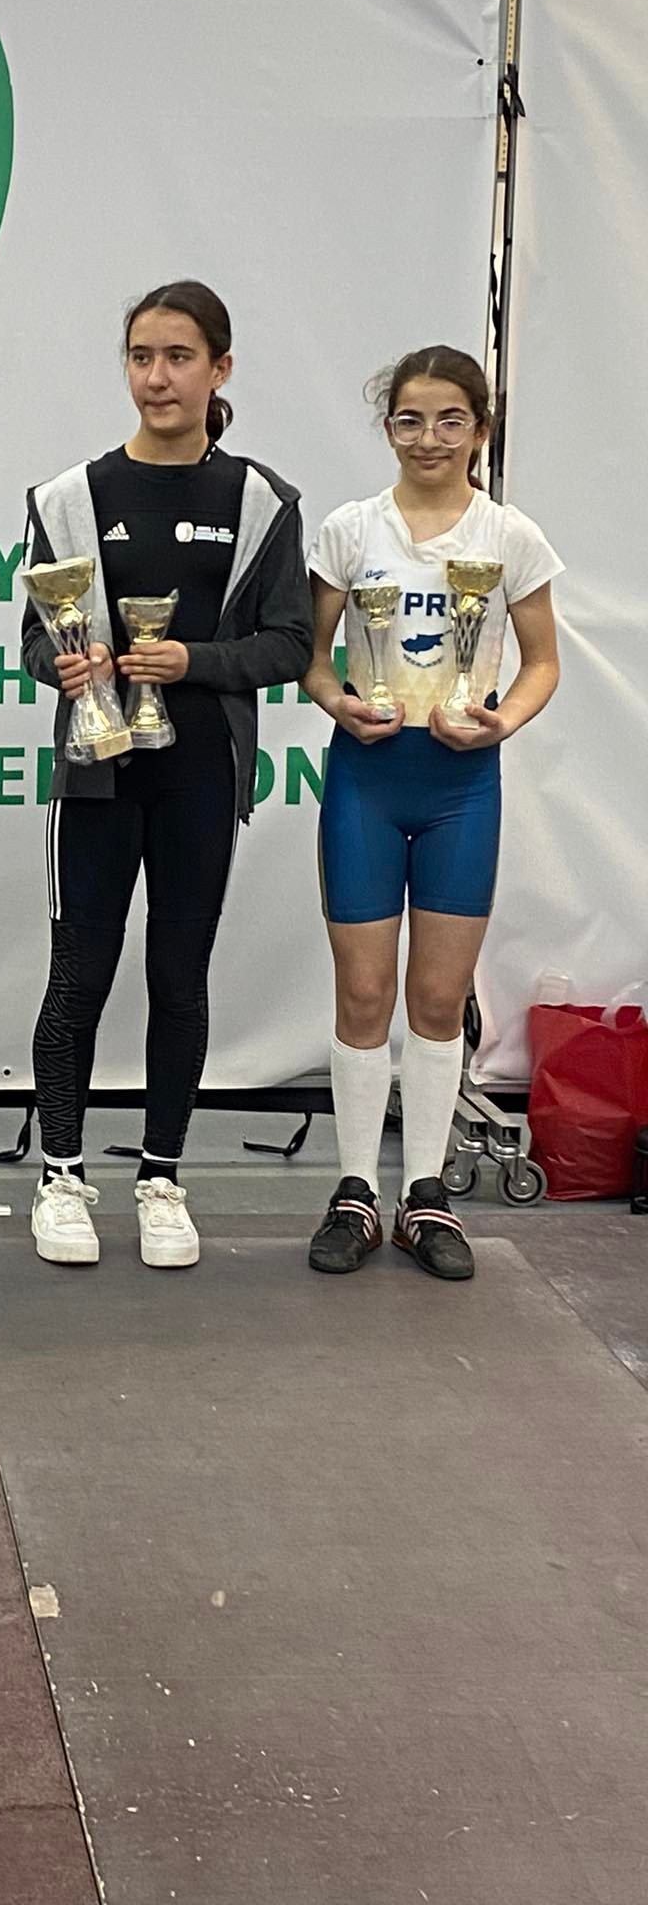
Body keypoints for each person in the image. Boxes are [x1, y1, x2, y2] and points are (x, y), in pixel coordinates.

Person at [22, 281, 312, 1268]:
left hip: (200, 775)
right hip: (98, 774)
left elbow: (288, 643)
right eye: (142, 356)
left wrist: (194, 660)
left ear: (219, 369)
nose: (158, 377)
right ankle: (61, 1175)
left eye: (180, 357)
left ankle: (160, 1177)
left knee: (179, 976)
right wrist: (62, 665)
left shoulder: (261, 501)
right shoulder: (69, 498)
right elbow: (35, 637)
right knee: (79, 974)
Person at [304, 345, 561, 1280]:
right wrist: (340, 706)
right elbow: (313, 659)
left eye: (451, 420)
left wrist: (500, 722)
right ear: (388, 429)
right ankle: (354, 1192)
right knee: (364, 995)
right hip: (367, 782)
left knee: (441, 1001)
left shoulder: (510, 537)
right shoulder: (350, 529)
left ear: (479, 430)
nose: (429, 438)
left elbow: (541, 663)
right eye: (410, 420)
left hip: (461, 787)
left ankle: (424, 1194)